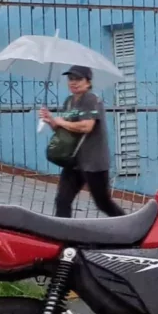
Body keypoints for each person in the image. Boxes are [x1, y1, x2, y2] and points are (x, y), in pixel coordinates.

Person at [40, 67, 123, 218]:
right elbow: (65, 133)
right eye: (71, 79)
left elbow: (87, 126)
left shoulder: (90, 99)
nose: (74, 82)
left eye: (78, 79)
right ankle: (63, 236)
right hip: (74, 162)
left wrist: (61, 122)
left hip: (93, 162)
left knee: (103, 202)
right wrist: (51, 120)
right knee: (62, 200)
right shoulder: (69, 101)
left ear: (88, 82)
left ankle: (128, 228)